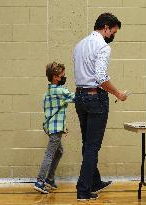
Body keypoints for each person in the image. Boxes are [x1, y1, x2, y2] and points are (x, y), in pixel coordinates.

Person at [73, 13, 127, 201]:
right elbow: (101, 77)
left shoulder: (79, 45)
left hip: (79, 96)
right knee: (92, 146)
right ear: (105, 27)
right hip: (96, 98)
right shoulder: (102, 47)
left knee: (87, 143)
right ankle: (83, 190)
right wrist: (118, 93)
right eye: (113, 32)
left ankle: (94, 181)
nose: (112, 36)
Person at [34, 62, 75, 194]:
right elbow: (77, 98)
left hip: (51, 127)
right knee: (50, 154)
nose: (64, 77)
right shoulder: (61, 91)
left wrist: (62, 126)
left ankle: (50, 179)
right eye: (62, 75)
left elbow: (53, 112)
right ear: (55, 77)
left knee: (59, 151)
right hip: (55, 129)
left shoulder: (48, 93)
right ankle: (40, 181)